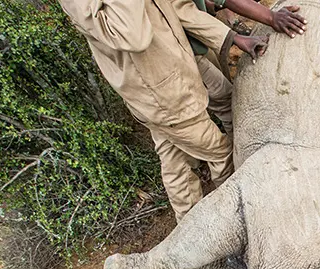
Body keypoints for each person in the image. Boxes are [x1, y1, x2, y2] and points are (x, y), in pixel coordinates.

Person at [57, 0, 268, 220]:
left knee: (176, 163)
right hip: (161, 97)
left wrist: (231, 37)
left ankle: (190, 236)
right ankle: (237, 221)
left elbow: (178, 7)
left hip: (175, 77)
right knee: (220, 152)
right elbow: (133, 36)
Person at [189, 1, 307, 130]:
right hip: (183, 49)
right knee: (226, 102)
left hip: (198, 36)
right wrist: (270, 17)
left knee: (221, 82)